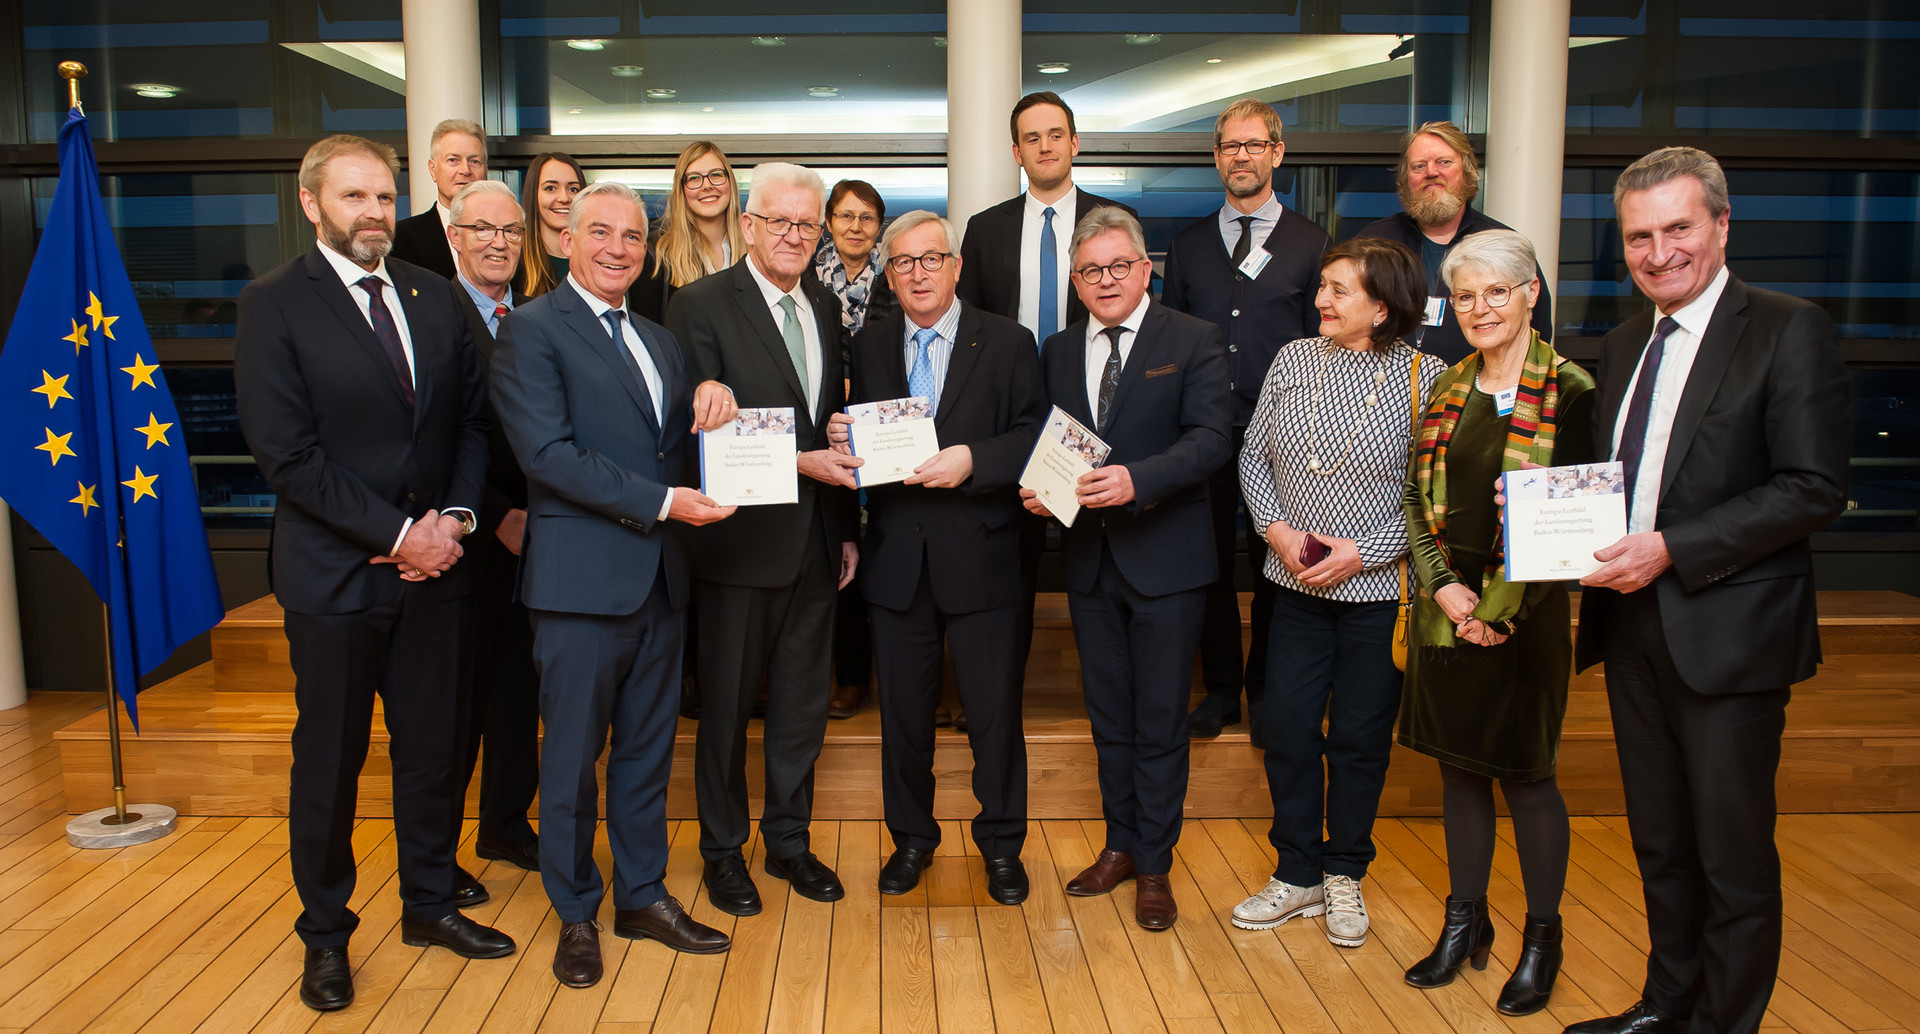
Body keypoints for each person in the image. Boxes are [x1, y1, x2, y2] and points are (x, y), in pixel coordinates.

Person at [1563, 148, 1849, 1034]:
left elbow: (1812, 487)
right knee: (1660, 842)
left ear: (1722, 226)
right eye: (1639, 237)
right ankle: (1666, 1004)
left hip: (1729, 632)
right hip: (1631, 625)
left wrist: (1672, 550)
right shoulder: (1620, 345)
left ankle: (1725, 1023)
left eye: (1678, 229)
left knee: (1730, 855)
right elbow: (1615, 477)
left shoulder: (1785, 327)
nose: (1659, 253)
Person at [233, 134, 513, 1013]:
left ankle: (430, 903)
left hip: (437, 573)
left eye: (385, 198)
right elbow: (288, 457)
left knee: (433, 752)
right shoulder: (273, 304)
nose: (374, 214)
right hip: (337, 580)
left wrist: (457, 521)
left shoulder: (432, 298)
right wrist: (401, 533)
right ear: (312, 204)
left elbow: (472, 424)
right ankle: (326, 936)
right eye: (354, 197)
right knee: (331, 762)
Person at [491, 180, 742, 988]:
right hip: (577, 590)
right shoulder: (530, 331)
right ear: (564, 238)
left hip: (658, 584)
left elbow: (674, 447)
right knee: (569, 762)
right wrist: (667, 503)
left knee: (643, 756)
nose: (617, 249)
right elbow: (548, 458)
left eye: (633, 237)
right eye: (600, 233)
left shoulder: (662, 342)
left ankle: (641, 896)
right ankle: (575, 913)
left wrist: (717, 398)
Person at [1398, 229, 1596, 1016]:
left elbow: (1574, 521)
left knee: (1529, 779)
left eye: (1497, 293)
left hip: (1529, 616)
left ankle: (1541, 939)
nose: (1481, 309)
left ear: (1530, 295)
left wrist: (1499, 615)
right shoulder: (1448, 388)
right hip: (1448, 615)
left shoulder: (1573, 391)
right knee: (1458, 772)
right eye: (1468, 296)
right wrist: (1444, 590)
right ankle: (1464, 924)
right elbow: (1415, 501)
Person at [1229, 236, 1440, 949]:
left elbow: (1431, 497)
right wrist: (1277, 530)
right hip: (1292, 588)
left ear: (1382, 307)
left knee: (1358, 740)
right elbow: (1253, 454)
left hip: (1378, 597)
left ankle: (1345, 869)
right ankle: (1297, 871)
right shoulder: (1293, 360)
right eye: (1322, 285)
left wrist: (1365, 553)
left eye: (1339, 290)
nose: (1321, 299)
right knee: (1286, 727)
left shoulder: (1427, 377)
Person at [664, 162, 862, 918]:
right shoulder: (700, 305)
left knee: (803, 708)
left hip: (814, 543)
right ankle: (722, 853)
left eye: (806, 225)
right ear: (748, 225)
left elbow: (822, 429)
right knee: (724, 711)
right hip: (735, 549)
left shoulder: (823, 303)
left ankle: (789, 842)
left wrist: (842, 531)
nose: (793, 235)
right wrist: (803, 460)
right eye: (778, 221)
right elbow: (699, 433)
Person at [1023, 207, 1230, 931]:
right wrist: (1040, 490)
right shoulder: (1055, 348)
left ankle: (1154, 864)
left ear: (1147, 270)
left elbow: (1212, 440)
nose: (1105, 280)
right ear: (1076, 283)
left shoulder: (1193, 338)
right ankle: (1118, 844)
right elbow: (1054, 441)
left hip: (1167, 563)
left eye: (1118, 266)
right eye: (1091, 271)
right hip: (1089, 563)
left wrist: (1138, 479)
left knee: (1160, 720)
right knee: (1109, 719)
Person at [832, 210, 1046, 904]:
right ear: (889, 276)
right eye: (905, 263)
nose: (919, 272)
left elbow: (1032, 434)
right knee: (903, 721)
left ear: (956, 266)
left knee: (992, 718)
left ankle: (1002, 846)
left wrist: (973, 460)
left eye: (932, 259)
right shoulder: (869, 345)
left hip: (986, 559)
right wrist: (842, 433)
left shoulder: (1009, 342)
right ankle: (912, 840)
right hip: (898, 562)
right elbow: (860, 444)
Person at [957, 90, 1138, 714]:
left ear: (1075, 142)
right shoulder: (985, 230)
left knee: (1101, 546)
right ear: (1015, 152)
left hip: (1096, 405)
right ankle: (998, 693)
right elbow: (968, 328)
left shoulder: (1113, 222)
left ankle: (1109, 694)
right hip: (1010, 416)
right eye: (1031, 138)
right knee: (1013, 548)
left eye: (1055, 134)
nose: (1045, 146)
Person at [1160, 97, 1330, 743]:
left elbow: (1324, 346)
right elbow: (1166, 344)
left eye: (1253, 145)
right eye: (1230, 146)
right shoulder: (1189, 245)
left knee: (1278, 565)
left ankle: (1267, 693)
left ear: (1277, 154)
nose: (1241, 156)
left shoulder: (1312, 244)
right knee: (1206, 564)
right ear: (1217, 157)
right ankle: (1222, 690)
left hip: (1281, 437)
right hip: (1203, 435)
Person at [443, 179, 542, 877]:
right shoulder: (431, 315)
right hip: (467, 540)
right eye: (484, 230)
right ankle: (437, 857)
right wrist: (493, 513)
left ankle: (505, 825)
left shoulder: (533, 319)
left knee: (518, 695)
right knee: (452, 708)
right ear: (455, 236)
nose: (499, 243)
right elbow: (434, 438)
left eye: (511, 232)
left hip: (537, 541)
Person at [1354, 121, 1552, 365]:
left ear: (1467, 170)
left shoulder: (1502, 245)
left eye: (1444, 162)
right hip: (1384, 393)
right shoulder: (1373, 244)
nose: (1431, 172)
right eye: (1419, 166)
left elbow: (1537, 335)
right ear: (1407, 179)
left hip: (1474, 394)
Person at [813, 178, 897, 720]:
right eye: (846, 216)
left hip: (884, 425)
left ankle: (874, 676)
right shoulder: (803, 278)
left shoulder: (895, 279)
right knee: (835, 541)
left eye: (867, 218)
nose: (856, 227)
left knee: (882, 547)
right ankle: (841, 674)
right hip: (821, 428)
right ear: (828, 221)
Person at [632, 141, 747, 323]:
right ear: (682, 190)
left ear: (730, 183)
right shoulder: (657, 255)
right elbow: (647, 333)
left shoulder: (755, 252)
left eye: (716, 175)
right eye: (694, 178)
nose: (707, 185)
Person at [390, 119, 485, 278]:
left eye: (474, 161)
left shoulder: (509, 236)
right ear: (433, 170)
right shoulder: (401, 237)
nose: (465, 170)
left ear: (485, 170)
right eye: (453, 160)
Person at [519, 151, 587, 298]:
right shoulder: (516, 263)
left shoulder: (598, 260)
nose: (564, 198)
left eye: (573, 189)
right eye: (550, 188)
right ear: (534, 195)